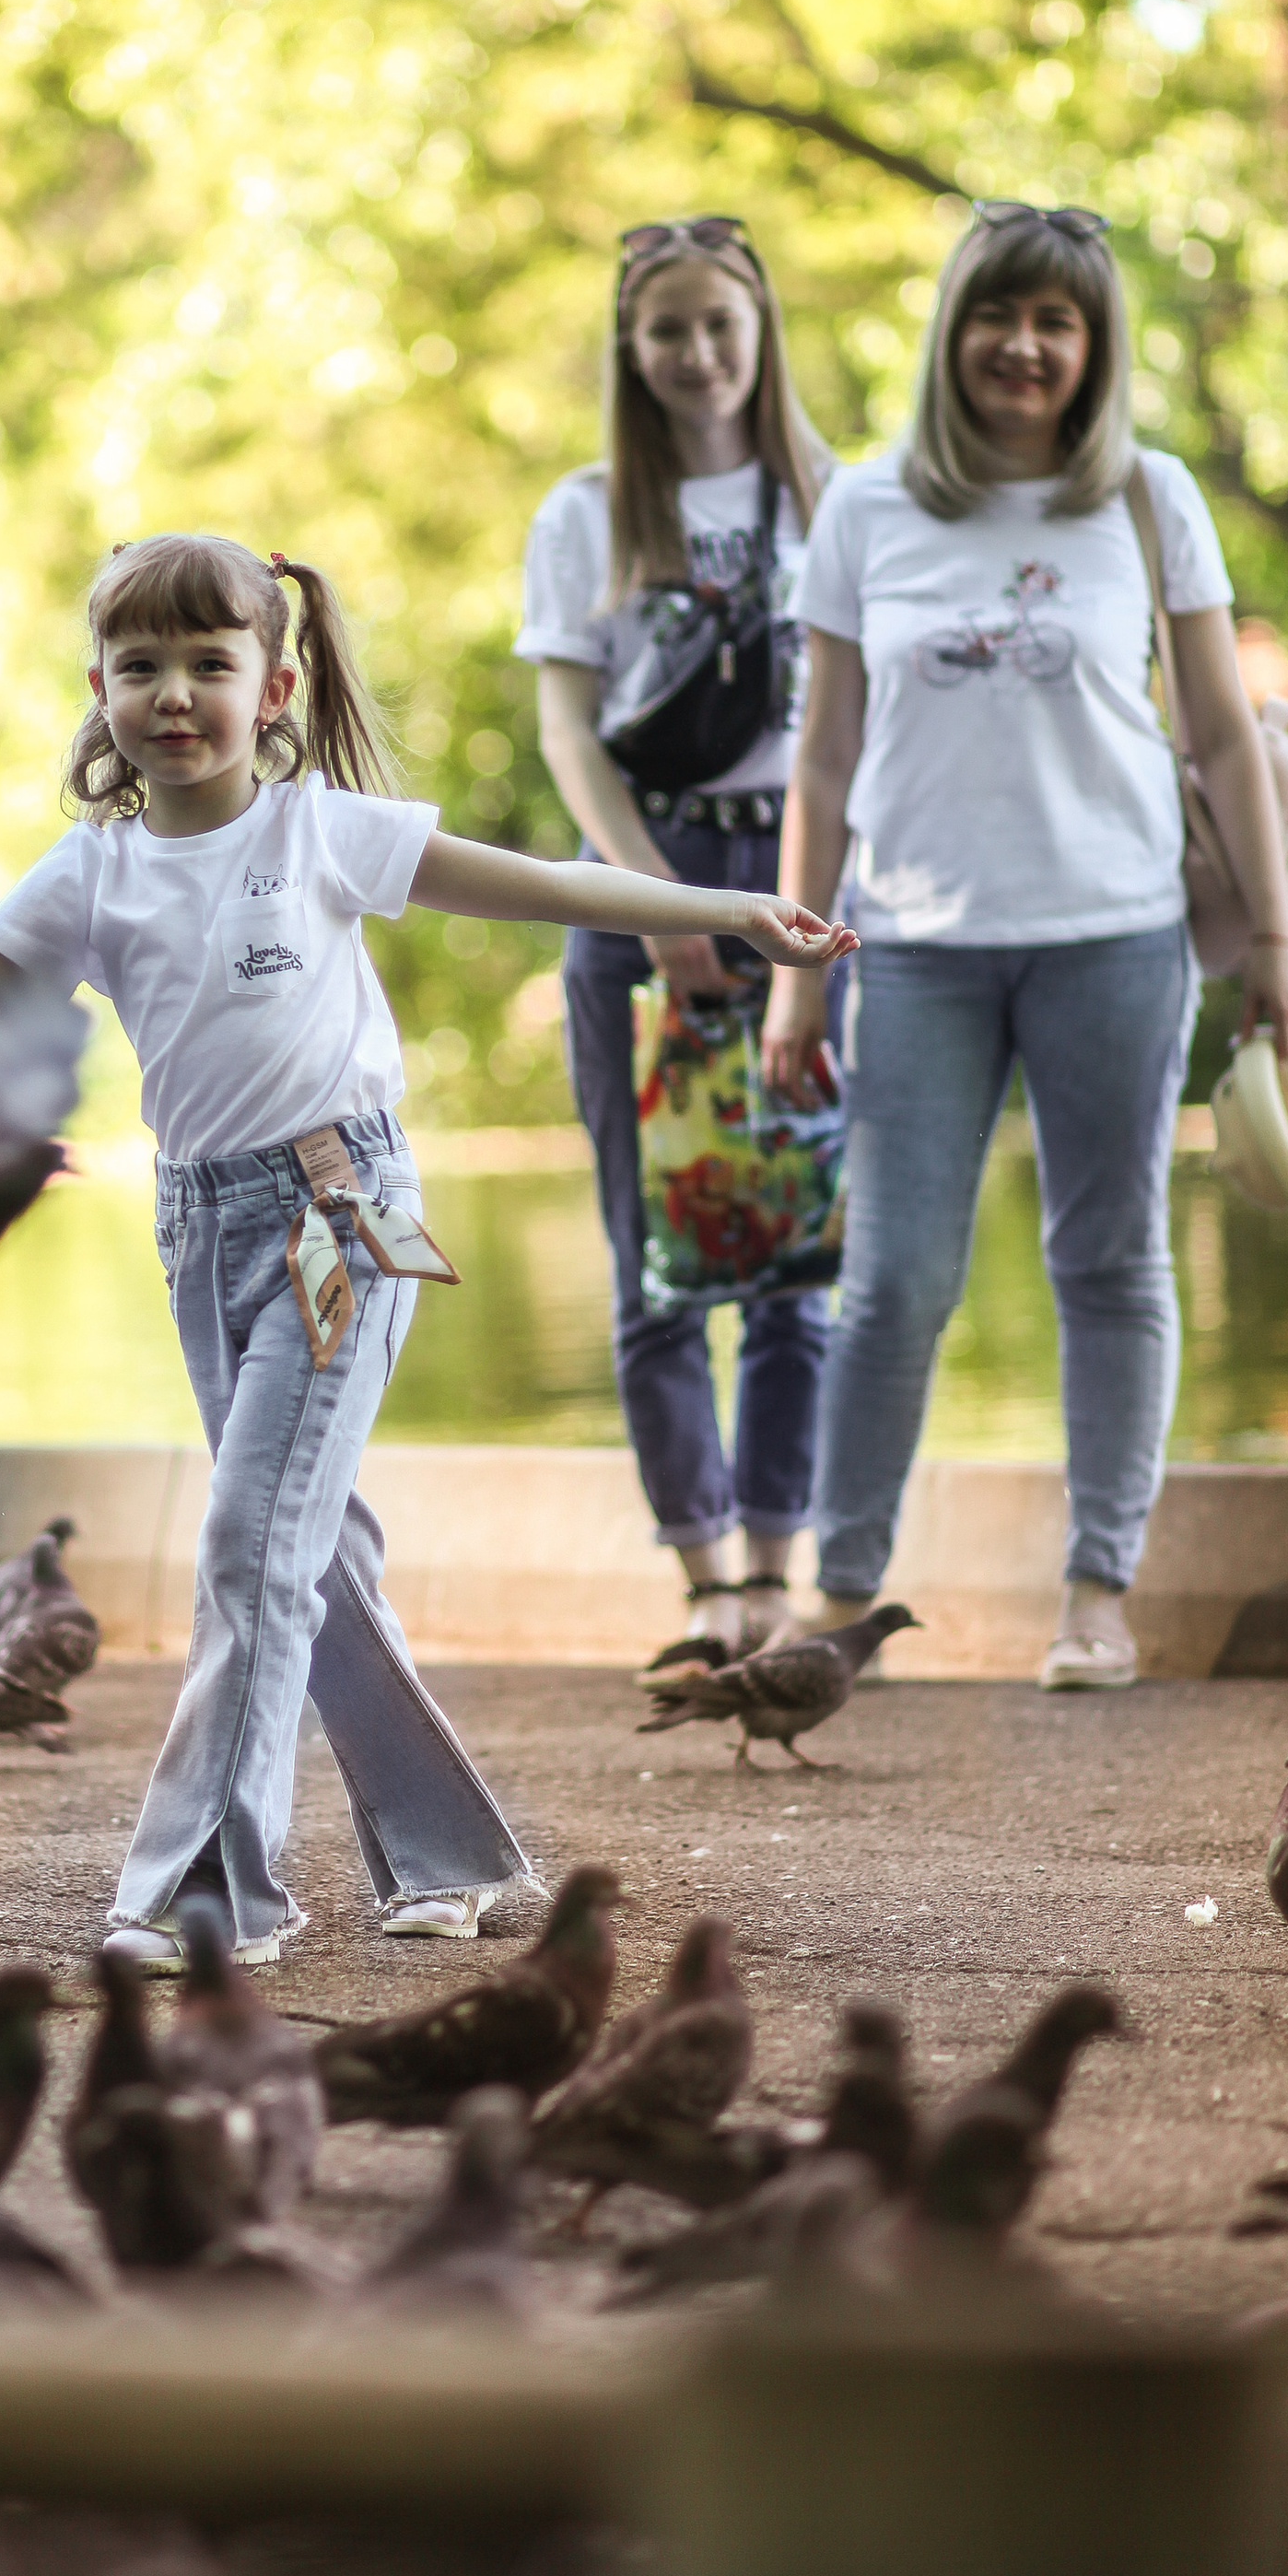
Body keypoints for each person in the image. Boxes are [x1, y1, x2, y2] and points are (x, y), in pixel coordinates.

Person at [0, 533, 853, 1965]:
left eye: (207, 664)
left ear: (275, 682)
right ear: (98, 690)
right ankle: (443, 1859)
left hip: (340, 1216)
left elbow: (544, 884)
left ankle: (207, 1898)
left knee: (252, 1546)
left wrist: (729, 909)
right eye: (139, 668)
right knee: (313, 1558)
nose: (173, 695)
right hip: (198, 1232)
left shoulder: (321, 833)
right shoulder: (94, 875)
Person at [761, 203, 1288, 1692]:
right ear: (955, 330)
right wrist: (799, 970)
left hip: (1116, 939)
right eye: (1000, 315)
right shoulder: (868, 506)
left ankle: (1096, 1596)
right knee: (894, 1285)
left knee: (1113, 1264)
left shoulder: (1147, 497)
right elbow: (823, 759)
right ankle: (844, 1594)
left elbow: (1218, 734)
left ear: (1093, 345)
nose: (1024, 345)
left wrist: (1272, 935)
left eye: (1057, 322)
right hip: (920, 947)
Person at [520, 217, 837, 1660]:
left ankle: (779, 1564)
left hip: (800, 864)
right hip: (636, 872)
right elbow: (569, 739)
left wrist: (788, 906)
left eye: (721, 324)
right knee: (651, 1241)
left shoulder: (834, 498)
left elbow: (861, 725)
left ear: (761, 329)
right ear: (629, 350)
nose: (697, 355)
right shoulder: (586, 511)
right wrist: (653, 906)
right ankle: (703, 1578)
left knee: (796, 1235)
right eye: (667, 331)